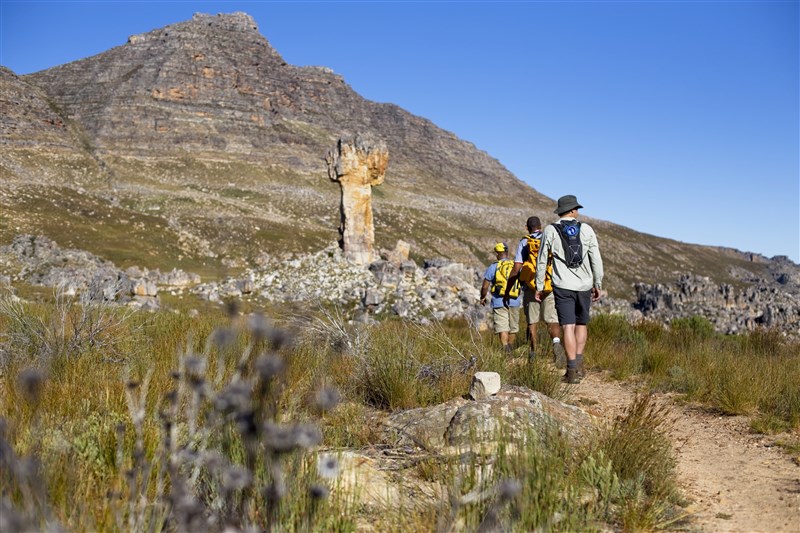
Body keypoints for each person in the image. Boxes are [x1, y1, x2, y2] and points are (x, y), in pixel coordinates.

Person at [535, 195, 604, 384]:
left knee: (568, 327)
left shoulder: (550, 230)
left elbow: (542, 260)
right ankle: (579, 366)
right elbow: (595, 259)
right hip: (584, 286)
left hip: (562, 286)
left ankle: (571, 371)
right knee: (581, 325)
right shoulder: (587, 229)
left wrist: (539, 286)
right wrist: (597, 283)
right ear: (573, 211)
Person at [505, 216, 565, 364]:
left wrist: (508, 291)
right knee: (552, 319)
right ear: (540, 225)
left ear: (527, 227)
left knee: (532, 322)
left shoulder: (525, 242)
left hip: (531, 287)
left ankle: (532, 352)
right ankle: (556, 343)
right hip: (549, 286)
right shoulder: (549, 237)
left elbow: (516, 269)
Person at [480, 242, 522, 352]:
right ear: (507, 253)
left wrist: (482, 297)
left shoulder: (494, 266)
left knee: (502, 326)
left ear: (497, 254)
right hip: (514, 300)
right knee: (513, 327)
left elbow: (485, 286)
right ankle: (511, 348)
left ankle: (505, 348)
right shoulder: (515, 266)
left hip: (499, 301)